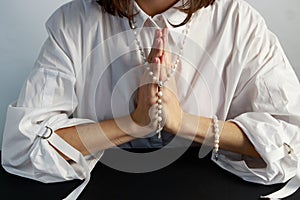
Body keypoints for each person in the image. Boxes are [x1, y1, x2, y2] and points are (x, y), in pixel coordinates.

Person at [2, 0, 300, 199]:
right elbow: (24, 147)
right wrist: (131, 124)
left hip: (209, 181)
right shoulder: (74, 22)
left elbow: (291, 143)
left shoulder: (239, 22)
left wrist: (184, 122)